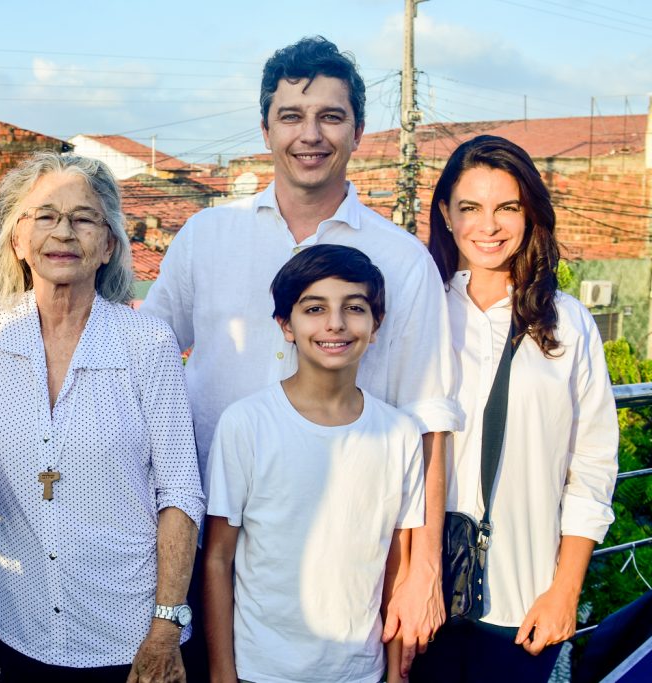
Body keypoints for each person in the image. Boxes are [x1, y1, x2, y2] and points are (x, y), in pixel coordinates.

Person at [142, 35, 459, 669]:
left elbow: (430, 417)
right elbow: (145, 361)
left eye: (330, 117)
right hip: (208, 544)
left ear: (359, 131)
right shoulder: (207, 235)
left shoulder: (403, 260)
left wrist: (423, 567)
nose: (309, 135)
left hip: (345, 564)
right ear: (265, 128)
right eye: (291, 116)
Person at [0, 152, 205, 683]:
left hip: (130, 630)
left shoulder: (146, 342)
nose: (63, 232)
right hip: (21, 620)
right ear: (18, 240)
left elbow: (181, 493)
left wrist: (165, 627)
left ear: (108, 245)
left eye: (84, 218)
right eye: (44, 216)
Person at [410, 135, 618, 682]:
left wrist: (564, 592)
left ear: (531, 216)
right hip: (416, 596)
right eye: (471, 208)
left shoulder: (568, 324)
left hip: (523, 604)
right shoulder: (416, 313)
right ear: (446, 216)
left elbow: (593, 467)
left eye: (508, 208)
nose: (489, 225)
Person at [204, 244, 424, 683]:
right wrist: (222, 674)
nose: (336, 323)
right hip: (261, 670)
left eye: (355, 308)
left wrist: (396, 675)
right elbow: (217, 559)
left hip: (359, 672)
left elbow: (397, 566)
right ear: (286, 325)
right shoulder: (246, 424)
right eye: (315, 308)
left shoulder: (400, 434)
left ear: (376, 325)